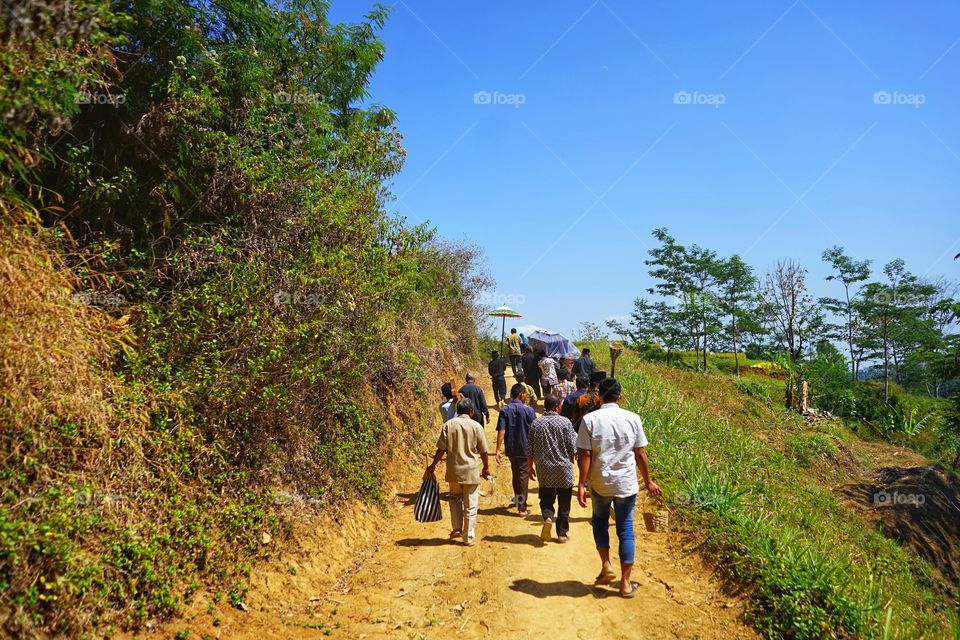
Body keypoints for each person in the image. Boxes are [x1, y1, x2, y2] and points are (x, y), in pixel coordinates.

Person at [576, 378, 662, 598]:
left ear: (600, 397)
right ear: (620, 397)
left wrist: (581, 484)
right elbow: (640, 453)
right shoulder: (633, 419)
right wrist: (649, 481)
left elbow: (585, 454)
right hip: (626, 484)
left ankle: (606, 565)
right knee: (625, 530)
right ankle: (625, 584)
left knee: (600, 523)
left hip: (600, 483)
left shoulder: (590, 420)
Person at [425, 398, 491, 546]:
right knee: (471, 503)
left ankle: (456, 528)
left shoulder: (448, 425)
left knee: (454, 499)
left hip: (453, 470)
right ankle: (468, 537)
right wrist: (486, 467)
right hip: (470, 470)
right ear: (472, 411)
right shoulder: (476, 426)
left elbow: (441, 449)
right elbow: (484, 451)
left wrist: (433, 465)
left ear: (457, 411)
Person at [527, 394, 577, 543]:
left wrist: (530, 467)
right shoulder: (565, 423)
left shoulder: (536, 424)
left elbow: (529, 450)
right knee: (564, 501)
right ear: (556, 407)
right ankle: (561, 534)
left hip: (544, 469)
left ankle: (548, 517)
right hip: (563, 469)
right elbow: (573, 448)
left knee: (546, 498)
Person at [495, 383, 537, 515]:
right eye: (525, 394)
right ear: (521, 394)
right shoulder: (529, 410)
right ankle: (522, 508)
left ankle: (519, 500)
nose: (525, 396)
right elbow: (535, 430)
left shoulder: (504, 410)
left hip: (511, 448)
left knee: (515, 473)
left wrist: (498, 450)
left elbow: (502, 430)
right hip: (525, 448)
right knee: (523, 476)